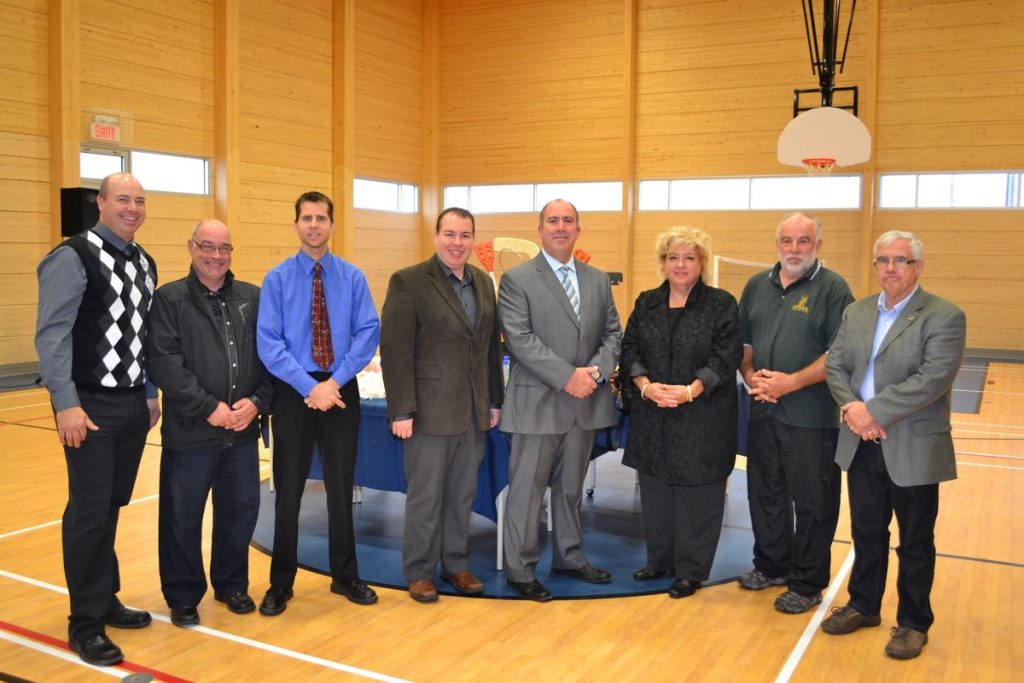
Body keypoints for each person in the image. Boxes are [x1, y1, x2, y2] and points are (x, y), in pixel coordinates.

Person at [35, 172, 160, 666]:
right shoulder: (73, 256)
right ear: (101, 203)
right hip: (88, 405)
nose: (132, 207)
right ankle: (84, 624)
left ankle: (104, 599)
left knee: (109, 507)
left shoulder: (144, 261)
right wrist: (65, 402)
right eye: (122, 199)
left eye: (140, 201)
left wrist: (150, 394)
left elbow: (143, 337)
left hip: (132, 405)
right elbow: (51, 335)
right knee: (88, 514)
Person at [823, 230, 965, 660]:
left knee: (916, 541)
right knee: (866, 532)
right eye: (882, 260)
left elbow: (932, 379)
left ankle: (913, 623)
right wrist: (853, 408)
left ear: (918, 267)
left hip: (913, 446)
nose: (890, 268)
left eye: (900, 260)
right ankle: (864, 605)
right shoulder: (858, 311)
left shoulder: (943, 316)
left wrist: (874, 412)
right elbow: (835, 364)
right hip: (861, 441)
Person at [256, 191, 380, 615]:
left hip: (340, 389)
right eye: (306, 218)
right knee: (288, 492)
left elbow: (367, 333)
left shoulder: (352, 277)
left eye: (321, 218)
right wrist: (309, 386)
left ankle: (345, 576)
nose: (313, 225)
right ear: (296, 225)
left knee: (341, 489)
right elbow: (268, 343)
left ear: (331, 225)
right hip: (294, 392)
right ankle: (280, 583)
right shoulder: (276, 279)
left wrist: (335, 381)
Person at [147, 218, 273, 627]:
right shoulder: (170, 300)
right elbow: (164, 363)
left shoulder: (253, 298)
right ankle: (183, 596)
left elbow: (273, 358)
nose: (216, 256)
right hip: (192, 432)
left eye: (224, 248)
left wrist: (256, 403)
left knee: (240, 511)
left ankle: (232, 584)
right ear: (191, 247)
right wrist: (209, 407)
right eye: (207, 246)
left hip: (241, 432)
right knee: (182, 516)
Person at [497, 198, 622, 602]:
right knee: (527, 493)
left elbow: (613, 335)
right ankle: (520, 568)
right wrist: (568, 377)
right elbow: (520, 340)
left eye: (568, 220)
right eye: (553, 220)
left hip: (584, 404)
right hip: (538, 404)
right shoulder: (517, 279)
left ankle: (569, 556)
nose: (561, 227)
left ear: (578, 230)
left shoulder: (598, 280)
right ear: (540, 230)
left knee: (570, 490)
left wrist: (596, 373)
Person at [379, 207, 503, 602]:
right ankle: (419, 570)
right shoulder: (409, 282)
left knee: (462, 494)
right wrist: (401, 409)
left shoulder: (482, 282)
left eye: (465, 235)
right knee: (426, 495)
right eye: (449, 234)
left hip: (472, 411)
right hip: (428, 411)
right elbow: (395, 351)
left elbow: (488, 348)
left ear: (473, 240)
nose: (457, 242)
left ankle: (457, 564)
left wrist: (494, 401)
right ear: (436, 236)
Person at [736, 212, 854, 614]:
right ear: (777, 244)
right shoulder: (756, 286)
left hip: (811, 417)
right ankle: (771, 565)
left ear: (818, 245)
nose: (794, 249)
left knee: (813, 503)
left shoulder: (834, 288)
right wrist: (751, 376)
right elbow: (745, 344)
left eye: (803, 241)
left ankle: (807, 583)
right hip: (762, 412)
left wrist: (790, 383)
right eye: (787, 241)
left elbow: (839, 355)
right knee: (765, 493)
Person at [620, 227, 741, 599]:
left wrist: (691, 389)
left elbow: (726, 355)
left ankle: (690, 571)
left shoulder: (721, 304)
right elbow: (630, 349)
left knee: (697, 496)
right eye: (673, 257)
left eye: (689, 257)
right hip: (653, 413)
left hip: (701, 415)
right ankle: (659, 560)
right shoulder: (646, 303)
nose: (680, 264)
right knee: (655, 492)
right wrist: (644, 385)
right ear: (663, 262)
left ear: (701, 261)